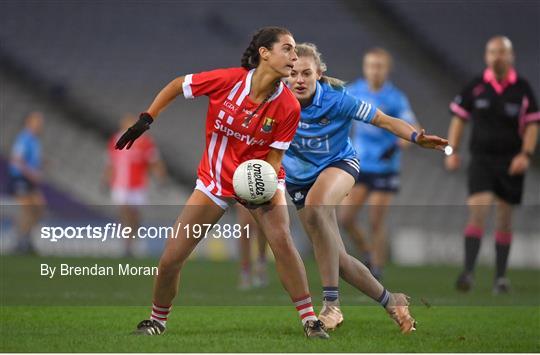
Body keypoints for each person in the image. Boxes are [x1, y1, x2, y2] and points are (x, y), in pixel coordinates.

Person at [115, 27, 329, 338]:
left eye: (296, 51)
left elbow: (274, 160)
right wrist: (147, 118)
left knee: (282, 241)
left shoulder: (289, 107)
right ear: (264, 53)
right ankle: (157, 321)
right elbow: (178, 85)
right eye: (287, 49)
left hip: (260, 182)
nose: (294, 56)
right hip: (214, 182)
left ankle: (311, 320)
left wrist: (260, 189)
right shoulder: (228, 81)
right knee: (171, 257)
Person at [283, 43, 447, 332]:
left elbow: (383, 120)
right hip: (298, 180)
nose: (299, 79)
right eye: (293, 73)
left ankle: (331, 306)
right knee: (338, 257)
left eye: (306, 73)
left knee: (317, 205)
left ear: (319, 74)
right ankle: (391, 300)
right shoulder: (276, 99)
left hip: (339, 165)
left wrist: (414, 136)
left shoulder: (339, 100)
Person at [446, 36, 539, 294]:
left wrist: (526, 155)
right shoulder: (476, 86)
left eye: (502, 52)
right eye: (492, 52)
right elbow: (459, 119)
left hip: (511, 163)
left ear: (511, 56)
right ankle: (467, 272)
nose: (497, 56)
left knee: (504, 219)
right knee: (478, 210)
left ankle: (500, 277)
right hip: (482, 160)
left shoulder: (522, 88)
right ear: (487, 56)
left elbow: (532, 124)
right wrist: (451, 150)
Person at [340, 48, 419, 280]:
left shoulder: (395, 98)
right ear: (365, 68)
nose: (375, 70)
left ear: (387, 69)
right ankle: (367, 252)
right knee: (345, 219)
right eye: (371, 65)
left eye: (379, 66)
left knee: (376, 220)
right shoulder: (354, 91)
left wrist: (396, 146)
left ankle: (376, 268)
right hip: (359, 164)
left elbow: (412, 129)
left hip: (386, 167)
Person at [103, 114, 167, 257]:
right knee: (125, 212)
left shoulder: (145, 142)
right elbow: (110, 163)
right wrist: (105, 180)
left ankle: (131, 241)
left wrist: (160, 177)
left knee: (135, 216)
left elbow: (154, 162)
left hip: (138, 185)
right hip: (119, 184)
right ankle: (127, 245)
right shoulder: (115, 140)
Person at [8, 112, 46, 254]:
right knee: (26, 211)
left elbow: (31, 159)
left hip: (29, 180)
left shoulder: (34, 140)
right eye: (37, 121)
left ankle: (26, 239)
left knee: (39, 209)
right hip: (21, 179)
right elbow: (17, 159)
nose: (40, 125)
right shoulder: (24, 138)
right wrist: (32, 173)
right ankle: (21, 242)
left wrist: (42, 164)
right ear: (29, 122)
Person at [236, 205, 269, 289]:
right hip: (241, 192)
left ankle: (261, 264)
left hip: (260, 192)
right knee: (245, 226)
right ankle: (245, 271)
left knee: (259, 225)